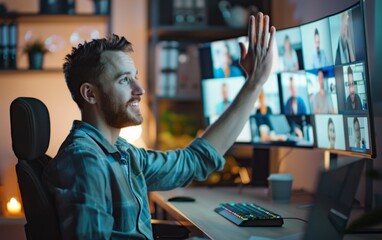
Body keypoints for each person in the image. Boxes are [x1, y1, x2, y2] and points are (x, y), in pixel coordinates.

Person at [43, 13, 275, 239]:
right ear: (90, 94)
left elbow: (193, 161)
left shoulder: (121, 153)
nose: (140, 89)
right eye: (124, 80)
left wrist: (253, 84)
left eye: (135, 77)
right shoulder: (85, 161)